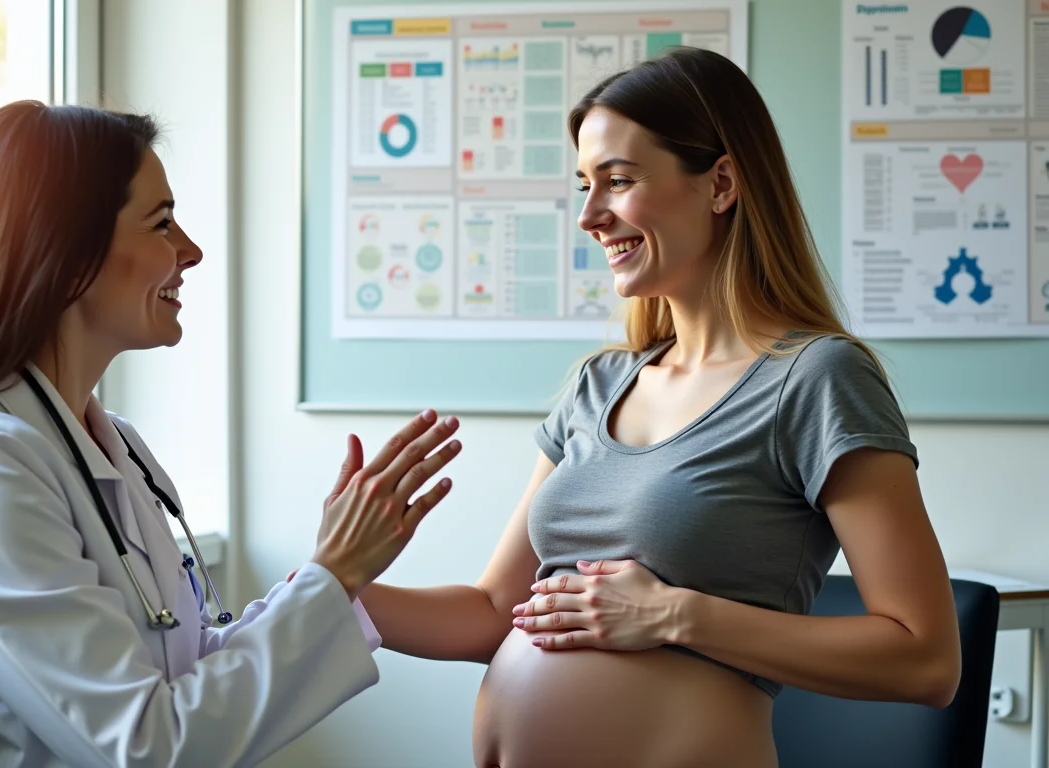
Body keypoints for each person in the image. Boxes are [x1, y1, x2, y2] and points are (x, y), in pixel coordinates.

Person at [357, 47, 962, 768]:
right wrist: (332, 588)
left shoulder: (816, 379)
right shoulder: (597, 386)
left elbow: (925, 659)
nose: (588, 215)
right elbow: (494, 614)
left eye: (617, 181)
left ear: (721, 183)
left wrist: (675, 614)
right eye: (584, 185)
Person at [0, 100, 463, 768]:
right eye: (162, 223)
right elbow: (145, 749)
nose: (190, 251)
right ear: (66, 251)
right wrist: (333, 574)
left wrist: (335, 575)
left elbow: (183, 672)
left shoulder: (109, 444)